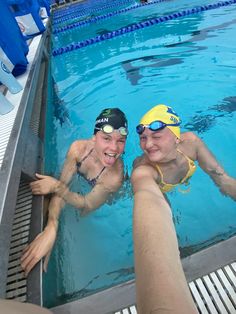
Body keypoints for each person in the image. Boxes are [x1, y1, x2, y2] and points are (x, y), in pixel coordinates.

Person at [131, 104, 236, 313]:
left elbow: (221, 177)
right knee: (166, 217)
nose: (147, 144)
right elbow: (149, 200)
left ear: (176, 136)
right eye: (143, 138)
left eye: (157, 136)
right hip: (161, 191)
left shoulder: (192, 144)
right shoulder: (143, 169)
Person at [21, 108, 128, 276]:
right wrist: (52, 225)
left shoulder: (114, 177)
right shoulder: (78, 150)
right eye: (106, 138)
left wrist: (56, 187)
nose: (114, 148)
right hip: (84, 187)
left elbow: (86, 205)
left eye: (121, 140)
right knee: (49, 199)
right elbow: (64, 184)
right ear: (94, 138)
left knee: (81, 217)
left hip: (111, 197)